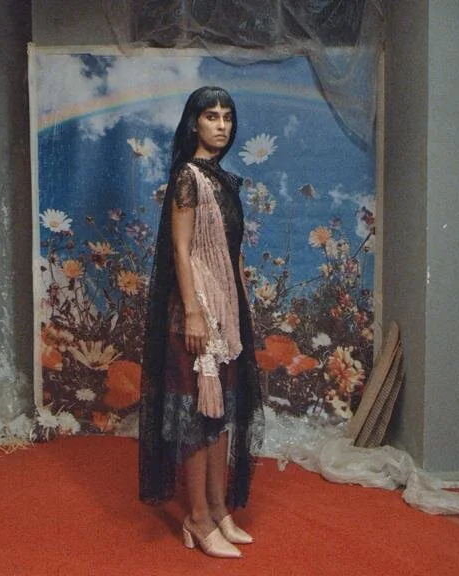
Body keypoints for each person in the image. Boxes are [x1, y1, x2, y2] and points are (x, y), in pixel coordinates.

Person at [139, 86, 265, 558]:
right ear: (194, 123)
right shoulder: (189, 178)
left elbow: (231, 253)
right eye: (211, 116)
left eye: (227, 116)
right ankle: (196, 517)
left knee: (222, 413)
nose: (222, 125)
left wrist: (241, 309)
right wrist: (193, 313)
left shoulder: (223, 179)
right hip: (195, 311)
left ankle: (217, 507)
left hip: (225, 310)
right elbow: (181, 248)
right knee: (199, 415)